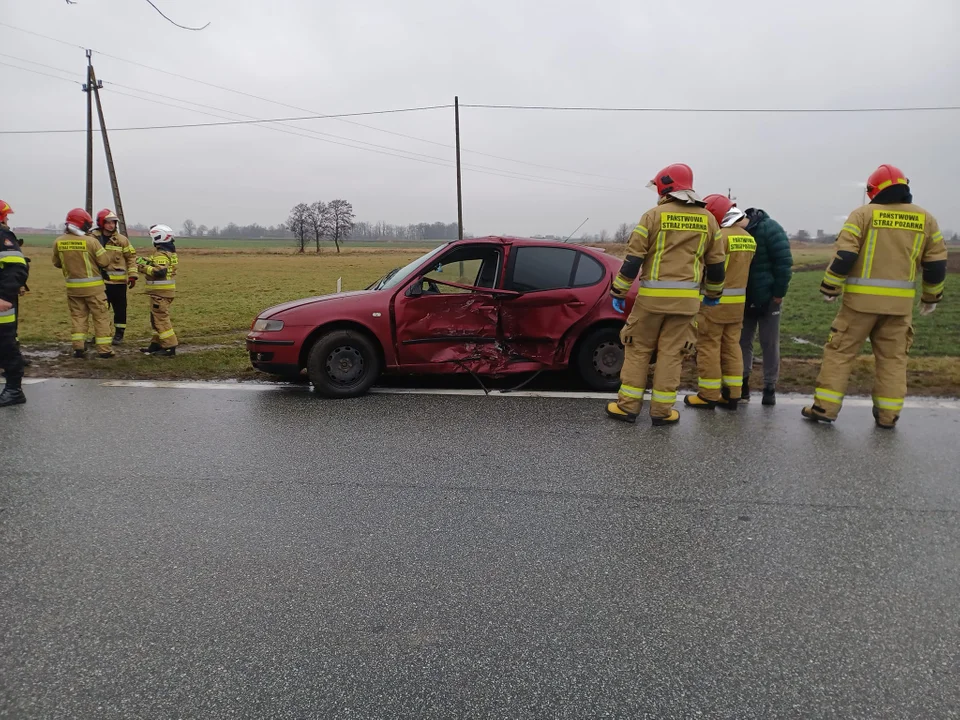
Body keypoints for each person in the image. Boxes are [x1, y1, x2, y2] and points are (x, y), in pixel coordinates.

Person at [802, 164, 947, 429]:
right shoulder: (926, 219)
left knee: (839, 353)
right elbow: (936, 264)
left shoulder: (863, 214)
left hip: (858, 305)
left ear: (874, 190)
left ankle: (825, 408)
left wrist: (830, 288)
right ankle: (888, 416)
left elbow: (845, 255)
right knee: (893, 360)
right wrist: (931, 298)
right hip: (899, 308)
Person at [606, 163, 724, 426]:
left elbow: (633, 260)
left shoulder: (652, 216)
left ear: (665, 187)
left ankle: (627, 407)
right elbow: (716, 265)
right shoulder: (709, 220)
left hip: (650, 302)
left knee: (638, 350)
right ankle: (662, 412)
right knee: (672, 355)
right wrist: (713, 294)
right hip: (686, 305)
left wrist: (619, 290)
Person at [684, 194, 756, 411]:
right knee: (732, 347)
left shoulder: (719, 237)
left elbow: (708, 271)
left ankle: (708, 395)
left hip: (714, 303)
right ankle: (733, 394)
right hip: (738, 306)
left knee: (709, 347)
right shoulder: (748, 238)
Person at [739, 205, 793, 405]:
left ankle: (769, 388)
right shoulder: (738, 231)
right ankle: (743, 386)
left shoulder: (771, 229)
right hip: (745, 297)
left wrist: (778, 294)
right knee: (743, 342)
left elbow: (784, 263)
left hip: (769, 299)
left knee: (768, 343)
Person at [52, 208, 115, 359]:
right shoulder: (91, 242)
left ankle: (78, 348)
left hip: (73, 289)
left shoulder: (59, 241)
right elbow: (105, 262)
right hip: (94, 289)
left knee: (78, 317)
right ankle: (104, 349)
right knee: (101, 317)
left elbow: (56, 263)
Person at [91, 209, 137, 345]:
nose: (111, 225)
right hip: (99, 283)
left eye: (113, 222)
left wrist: (133, 275)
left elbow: (131, 258)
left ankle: (119, 334)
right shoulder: (93, 239)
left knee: (120, 310)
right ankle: (101, 334)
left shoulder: (122, 240)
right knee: (100, 311)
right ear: (101, 223)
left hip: (119, 284)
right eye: (108, 222)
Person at [137, 224, 179, 357]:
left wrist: (143, 268)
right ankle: (156, 344)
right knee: (155, 319)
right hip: (163, 293)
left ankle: (169, 346)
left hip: (160, 294)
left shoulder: (161, 254)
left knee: (161, 319)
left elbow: (160, 271)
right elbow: (157, 263)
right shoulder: (168, 252)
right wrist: (145, 261)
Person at [0, 227, 29, 406]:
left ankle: (14, 390)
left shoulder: (3, 236)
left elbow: (17, 268)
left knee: (5, 344)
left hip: (2, 304)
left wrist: (3, 296)